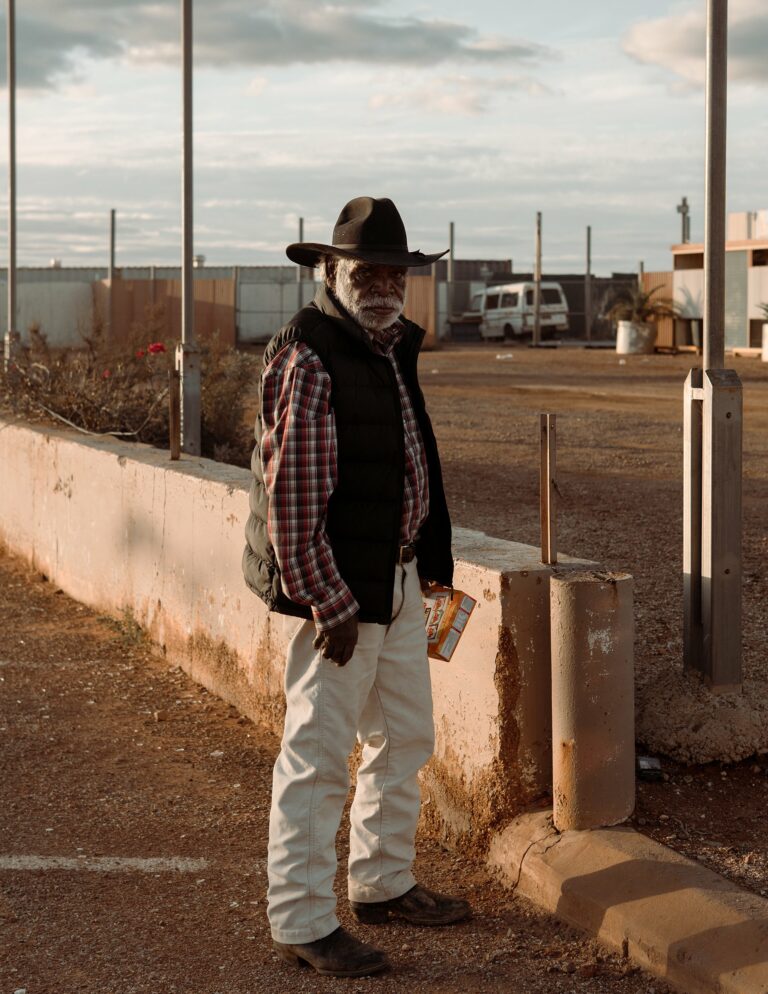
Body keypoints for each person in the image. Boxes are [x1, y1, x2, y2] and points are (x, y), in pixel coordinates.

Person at [243, 196, 471, 978]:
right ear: (330, 273)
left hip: (397, 579)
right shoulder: (310, 353)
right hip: (340, 596)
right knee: (317, 754)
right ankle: (302, 921)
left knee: (404, 737)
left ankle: (381, 882)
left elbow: (413, 464)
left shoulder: (385, 347)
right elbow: (291, 501)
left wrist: (429, 566)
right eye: (364, 271)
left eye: (393, 273)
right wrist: (327, 601)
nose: (381, 284)